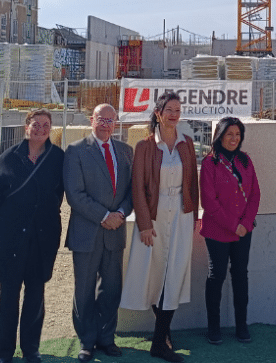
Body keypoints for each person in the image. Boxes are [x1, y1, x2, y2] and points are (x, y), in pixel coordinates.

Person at [120, 92, 198, 363]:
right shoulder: (144, 147)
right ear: (158, 113)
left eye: (178, 109)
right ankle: (161, 335)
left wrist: (192, 218)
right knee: (153, 275)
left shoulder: (187, 143)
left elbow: (193, 185)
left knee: (174, 272)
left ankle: (159, 339)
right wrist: (143, 223)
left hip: (180, 213)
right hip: (153, 217)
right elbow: (138, 188)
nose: (174, 114)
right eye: (169, 110)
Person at [0, 109, 64, 363]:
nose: (41, 129)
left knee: (35, 296)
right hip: (11, 238)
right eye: (36, 124)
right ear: (26, 126)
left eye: (46, 125)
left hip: (43, 238)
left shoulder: (58, 158)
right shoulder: (8, 158)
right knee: (8, 297)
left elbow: (59, 195)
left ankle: (31, 349)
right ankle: (4, 352)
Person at [64, 104, 134, 362]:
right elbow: (75, 194)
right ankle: (87, 340)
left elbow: (131, 191)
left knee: (111, 288)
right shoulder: (76, 151)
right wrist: (104, 216)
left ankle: (107, 338)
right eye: (101, 119)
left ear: (116, 123)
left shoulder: (126, 151)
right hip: (87, 232)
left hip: (115, 232)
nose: (106, 124)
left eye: (110, 120)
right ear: (91, 120)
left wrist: (121, 214)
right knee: (84, 290)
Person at [200, 117, 261, 344]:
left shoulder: (246, 161)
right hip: (218, 230)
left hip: (243, 231)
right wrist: (233, 225)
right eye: (229, 134)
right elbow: (209, 201)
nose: (234, 139)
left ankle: (241, 326)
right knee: (216, 276)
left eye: (237, 134)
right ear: (219, 136)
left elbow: (255, 194)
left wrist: (245, 224)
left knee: (240, 276)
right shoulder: (210, 163)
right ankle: (213, 328)